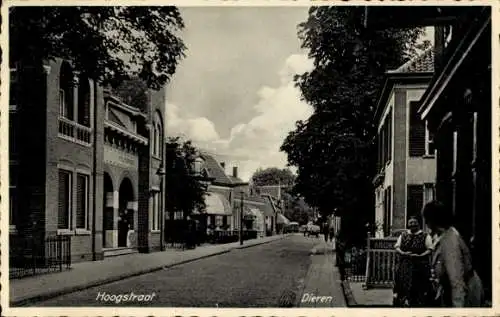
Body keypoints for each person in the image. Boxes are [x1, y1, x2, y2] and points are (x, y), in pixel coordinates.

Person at [422, 200, 484, 307]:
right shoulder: (442, 235)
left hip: (464, 293)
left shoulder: (449, 241)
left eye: (426, 218)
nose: (426, 222)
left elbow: (457, 282)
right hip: (449, 290)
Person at [393, 216, 433, 307]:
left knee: (418, 288)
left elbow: (430, 249)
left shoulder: (425, 236)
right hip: (405, 266)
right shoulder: (403, 235)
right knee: (403, 287)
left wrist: (420, 256)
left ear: (418, 224)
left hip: (420, 266)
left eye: (414, 222)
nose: (412, 225)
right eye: (410, 223)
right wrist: (403, 253)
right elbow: (397, 247)